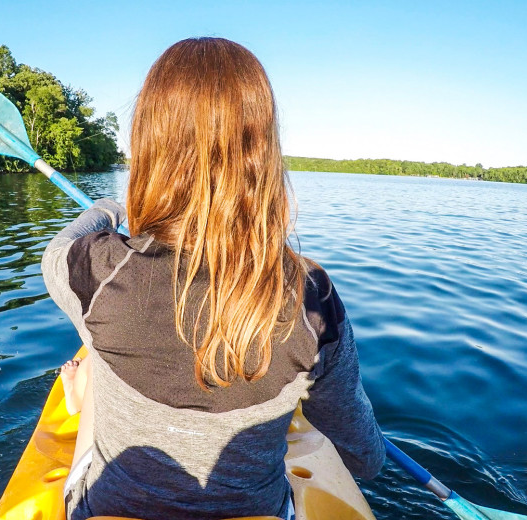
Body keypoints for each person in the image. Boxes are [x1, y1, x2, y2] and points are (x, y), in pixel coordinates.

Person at [42, 37, 384, 520]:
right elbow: (365, 460)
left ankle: (85, 393)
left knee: (95, 338)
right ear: (263, 151)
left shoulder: (98, 269)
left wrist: (112, 208)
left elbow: (54, 252)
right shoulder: (312, 298)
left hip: (106, 508)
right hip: (261, 509)